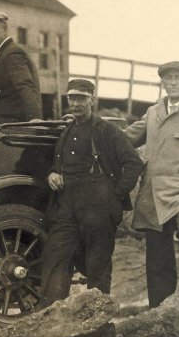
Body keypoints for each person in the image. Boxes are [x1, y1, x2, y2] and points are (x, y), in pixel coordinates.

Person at [40, 79, 143, 305]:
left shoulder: (107, 130)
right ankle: (50, 321)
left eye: (81, 98)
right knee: (55, 255)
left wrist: (115, 195)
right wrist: (53, 173)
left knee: (98, 266)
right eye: (72, 98)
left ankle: (97, 325)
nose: (76, 103)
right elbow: (59, 163)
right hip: (67, 205)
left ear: (92, 100)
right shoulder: (67, 130)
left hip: (98, 205)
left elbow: (133, 163)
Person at [126, 61, 179, 308]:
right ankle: (161, 311)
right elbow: (127, 138)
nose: (173, 83)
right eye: (168, 79)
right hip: (152, 191)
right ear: (163, 83)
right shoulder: (153, 112)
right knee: (157, 254)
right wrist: (95, 129)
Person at [0, 10, 42, 135]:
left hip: (8, 123)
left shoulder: (12, 53)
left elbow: (25, 85)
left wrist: (35, 119)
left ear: (5, 29)